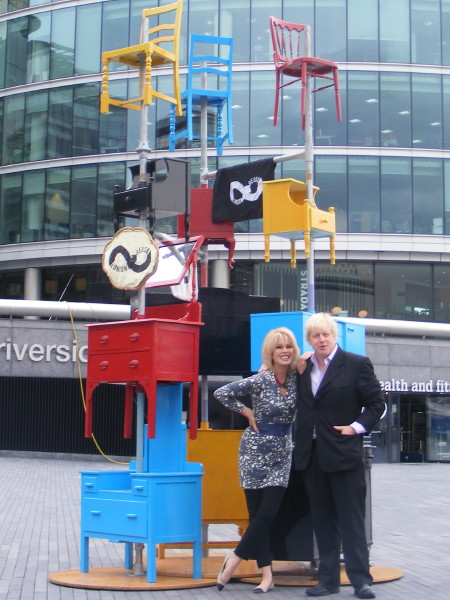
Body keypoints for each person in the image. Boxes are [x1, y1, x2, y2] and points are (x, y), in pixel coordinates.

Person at [294, 313, 385, 600]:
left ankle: (361, 581)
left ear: (334, 336)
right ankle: (328, 581)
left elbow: (376, 404)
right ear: (308, 340)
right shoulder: (303, 367)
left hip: (345, 455)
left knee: (351, 520)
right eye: (315, 336)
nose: (321, 340)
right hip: (312, 456)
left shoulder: (357, 364)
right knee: (322, 521)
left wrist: (355, 428)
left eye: (325, 335)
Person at [213, 327, 300, 594]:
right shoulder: (261, 379)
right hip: (254, 451)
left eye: (288, 346)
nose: (284, 351)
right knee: (257, 516)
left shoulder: (298, 377)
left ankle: (233, 559)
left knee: (267, 514)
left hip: (282, 452)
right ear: (270, 353)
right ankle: (267, 576)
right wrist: (247, 411)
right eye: (278, 347)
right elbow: (222, 393)